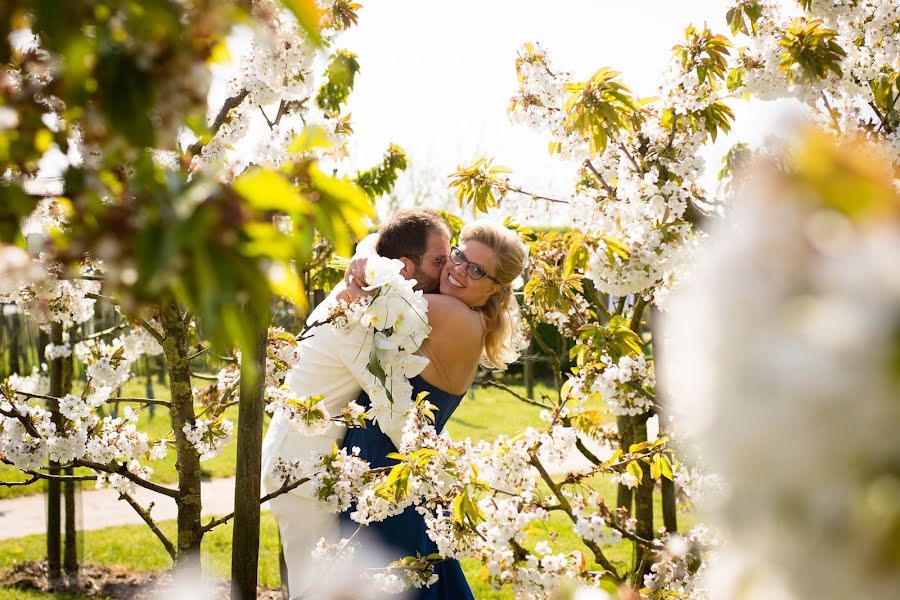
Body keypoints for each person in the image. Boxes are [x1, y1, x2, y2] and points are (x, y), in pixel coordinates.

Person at [261, 208, 451, 598]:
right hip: (297, 470)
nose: (447, 269)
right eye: (439, 260)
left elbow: (374, 245)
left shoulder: (376, 289)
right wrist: (438, 471)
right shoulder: (357, 309)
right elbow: (390, 402)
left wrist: (365, 251)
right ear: (403, 266)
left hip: (317, 464)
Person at [339, 221, 528, 599]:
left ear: (493, 288)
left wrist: (365, 256)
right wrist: (369, 252)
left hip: (385, 475)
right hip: (393, 474)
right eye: (458, 255)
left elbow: (360, 299)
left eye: (477, 271)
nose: (457, 270)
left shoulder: (449, 315)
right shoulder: (465, 315)